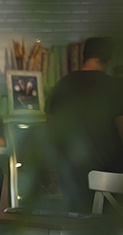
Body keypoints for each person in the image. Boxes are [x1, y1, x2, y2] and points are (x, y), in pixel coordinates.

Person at [45, 37, 123, 213]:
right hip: (110, 181)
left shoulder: (61, 86)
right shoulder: (116, 88)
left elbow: (51, 137)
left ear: (83, 56)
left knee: (76, 230)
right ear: (109, 60)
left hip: (72, 181)